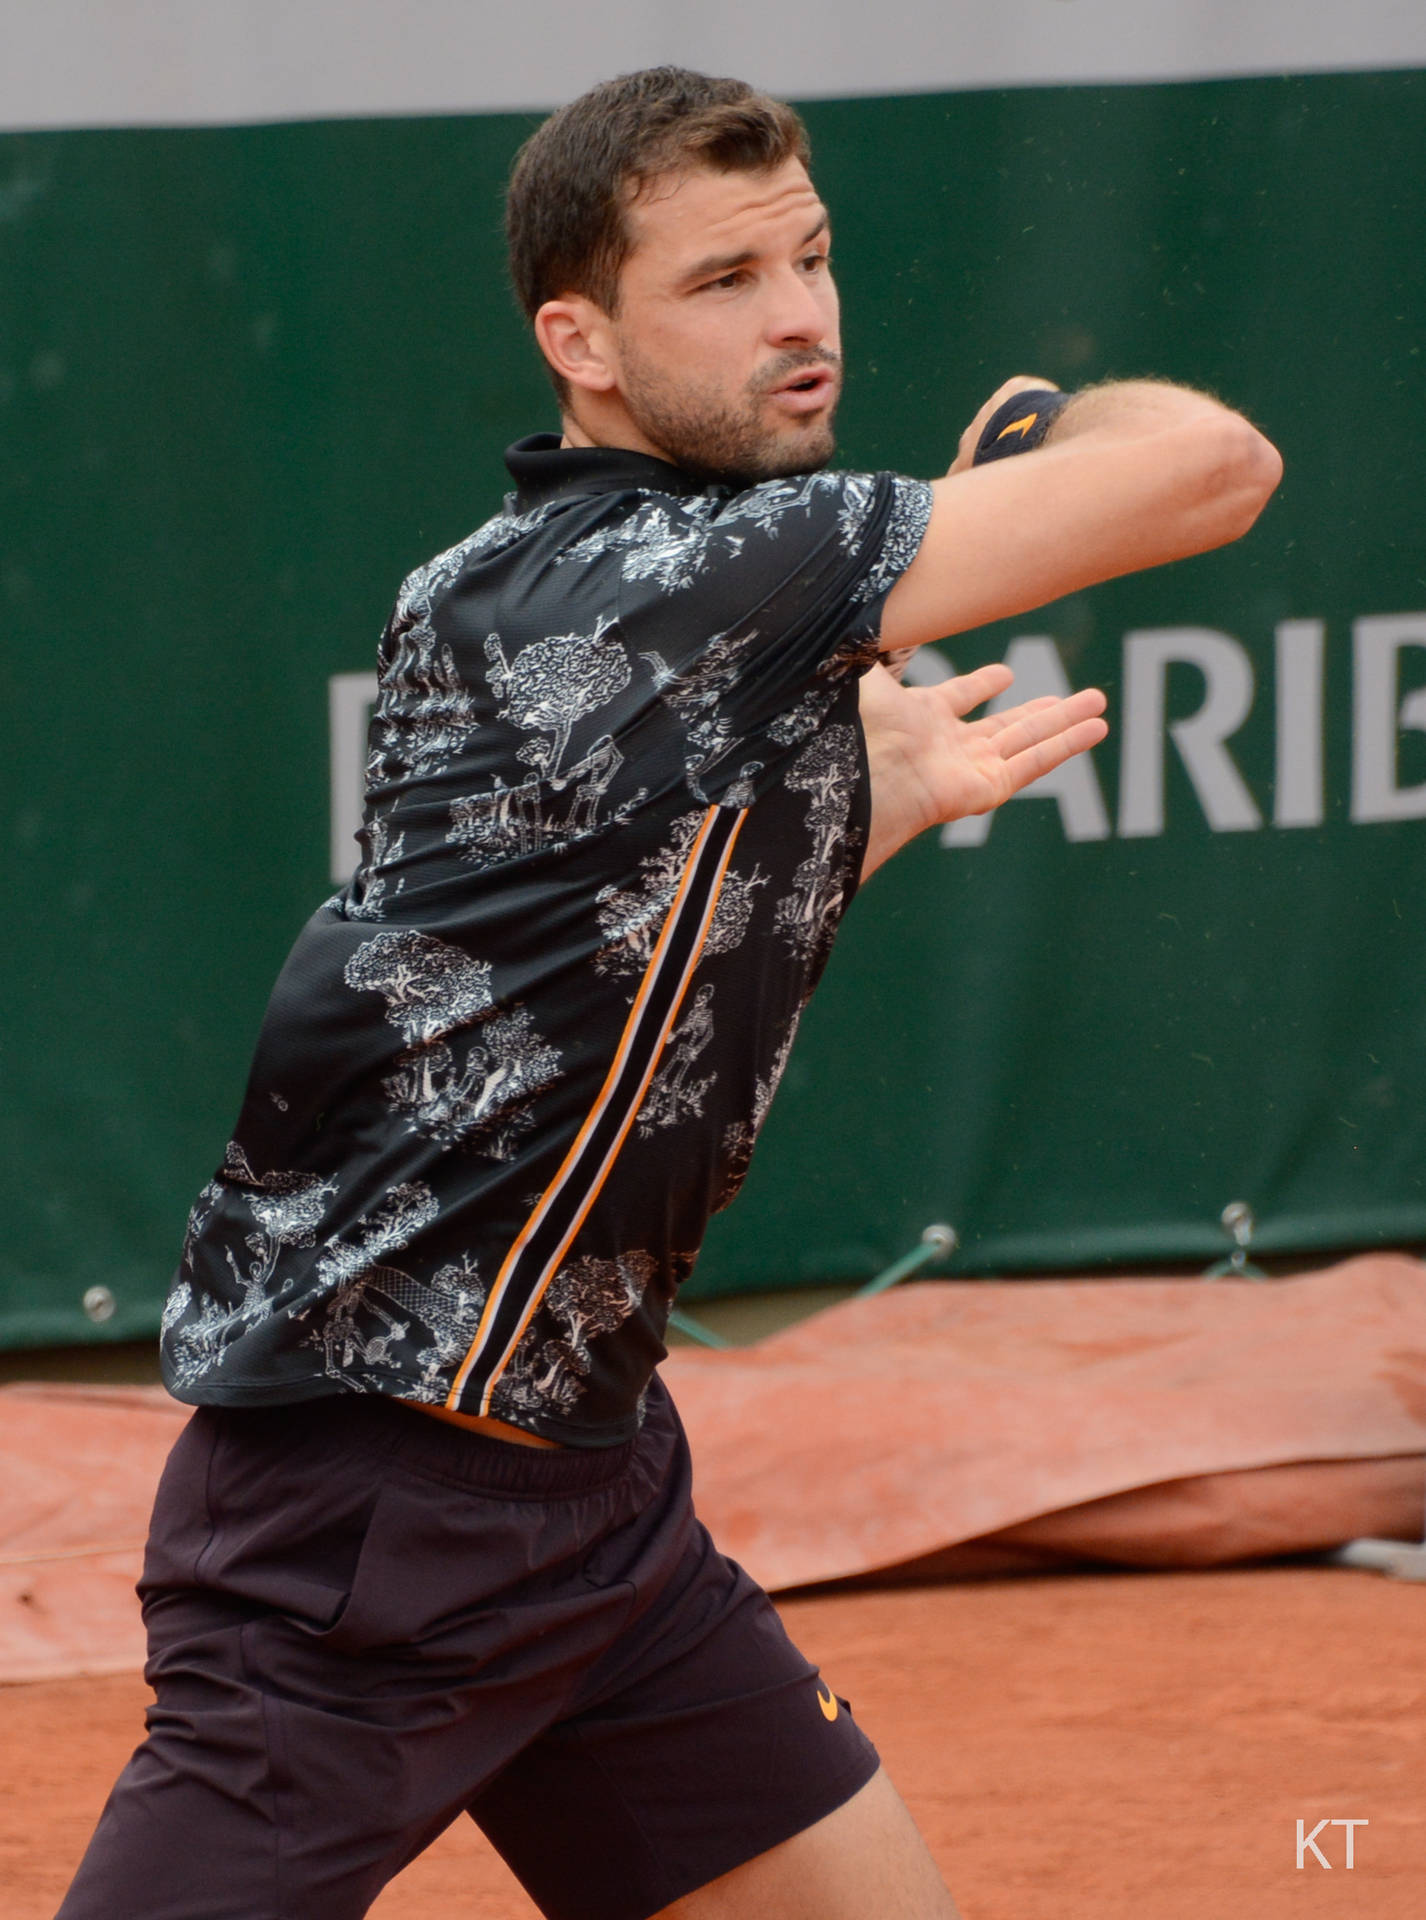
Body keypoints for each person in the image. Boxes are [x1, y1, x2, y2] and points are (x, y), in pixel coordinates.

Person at [59, 65, 1281, 1920]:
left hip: (595, 1495)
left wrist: (849, 814)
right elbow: (1216, 471)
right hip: (364, 1515)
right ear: (582, 339)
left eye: (810, 256)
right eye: (722, 282)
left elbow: (573, 938)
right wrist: (1056, 449)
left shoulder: (470, 580)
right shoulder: (740, 565)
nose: (800, 315)